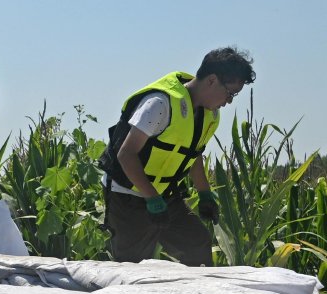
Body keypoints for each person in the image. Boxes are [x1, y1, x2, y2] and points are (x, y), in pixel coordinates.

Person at [99, 46, 255, 266]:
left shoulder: (210, 115)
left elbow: (193, 154)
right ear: (211, 80)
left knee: (196, 243)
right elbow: (126, 154)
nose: (229, 101)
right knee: (133, 265)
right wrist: (152, 199)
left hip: (164, 195)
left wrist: (205, 195)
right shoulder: (160, 105)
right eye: (230, 93)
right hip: (128, 194)